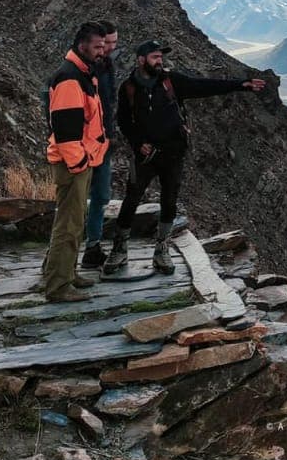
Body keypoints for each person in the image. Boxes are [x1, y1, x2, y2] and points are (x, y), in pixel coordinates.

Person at [105, 40, 266, 274]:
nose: (159, 61)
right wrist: (138, 143)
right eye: (154, 57)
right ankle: (119, 249)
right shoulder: (128, 88)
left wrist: (242, 84)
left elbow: (204, 86)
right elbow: (123, 121)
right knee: (132, 199)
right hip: (145, 157)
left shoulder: (172, 81)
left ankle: (162, 250)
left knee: (169, 201)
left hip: (173, 154)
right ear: (141, 60)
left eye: (160, 57)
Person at [43, 21, 110, 301]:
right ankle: (58, 287)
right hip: (74, 164)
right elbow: (66, 130)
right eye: (97, 47)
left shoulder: (82, 74)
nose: (102, 52)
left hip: (81, 161)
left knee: (75, 220)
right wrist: (79, 164)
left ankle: (67, 274)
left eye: (104, 47)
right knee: (68, 224)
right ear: (82, 45)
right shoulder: (70, 79)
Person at [81, 20, 120, 268]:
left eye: (115, 43)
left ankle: (92, 247)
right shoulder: (80, 71)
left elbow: (109, 103)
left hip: (103, 143)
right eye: (108, 43)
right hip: (83, 144)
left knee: (101, 196)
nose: (111, 48)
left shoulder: (106, 66)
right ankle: (56, 256)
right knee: (75, 201)